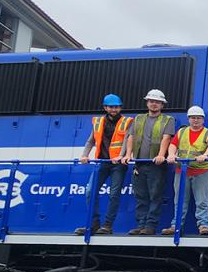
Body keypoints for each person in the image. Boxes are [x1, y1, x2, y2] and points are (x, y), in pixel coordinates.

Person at [74, 94, 133, 235]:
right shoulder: (98, 122)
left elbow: (127, 140)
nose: (114, 109)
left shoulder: (127, 122)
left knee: (114, 194)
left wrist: (122, 155)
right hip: (101, 162)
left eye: (117, 107)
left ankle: (107, 225)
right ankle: (93, 224)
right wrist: (84, 155)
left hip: (118, 164)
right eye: (111, 107)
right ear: (105, 107)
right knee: (90, 191)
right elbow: (90, 141)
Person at [122, 89, 175, 235]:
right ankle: (141, 225)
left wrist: (160, 155)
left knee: (155, 196)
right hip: (139, 163)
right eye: (151, 101)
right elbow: (131, 137)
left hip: (156, 165)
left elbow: (166, 138)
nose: (154, 104)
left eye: (157, 102)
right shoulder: (138, 119)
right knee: (140, 196)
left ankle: (150, 226)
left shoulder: (168, 120)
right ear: (147, 103)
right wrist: (128, 154)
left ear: (162, 105)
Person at [162, 106, 208, 236]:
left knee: (202, 200)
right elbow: (173, 145)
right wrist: (171, 155)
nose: (195, 120)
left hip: (201, 171)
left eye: (198, 118)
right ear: (188, 119)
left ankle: (203, 225)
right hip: (182, 171)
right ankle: (176, 226)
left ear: (203, 119)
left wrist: (206, 156)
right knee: (180, 200)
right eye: (193, 118)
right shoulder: (181, 132)